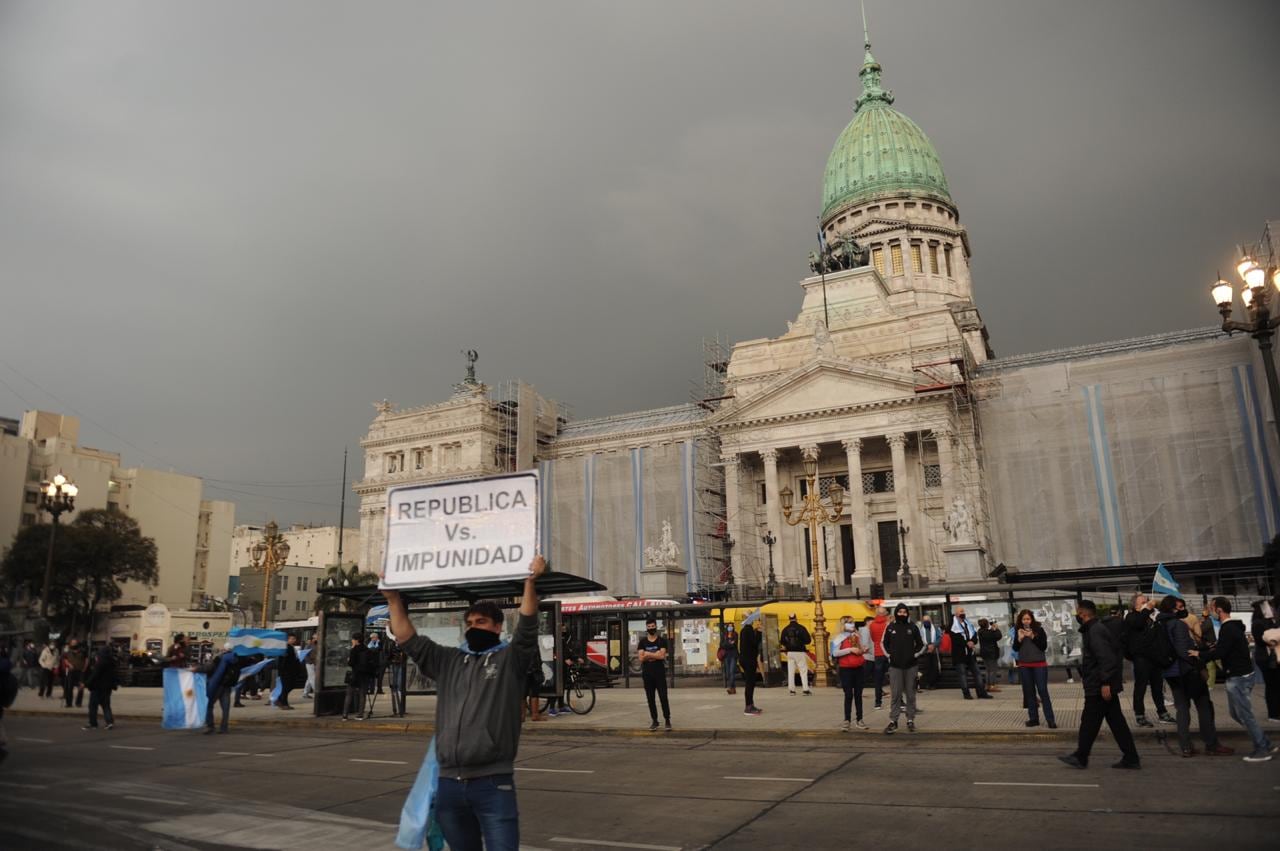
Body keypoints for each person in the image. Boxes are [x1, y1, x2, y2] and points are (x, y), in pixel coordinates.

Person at [382, 554, 544, 851]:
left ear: (497, 627)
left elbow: (528, 627)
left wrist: (530, 582)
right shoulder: (449, 660)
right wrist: (393, 599)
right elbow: (409, 640)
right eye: (469, 622)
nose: (473, 627)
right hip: (449, 786)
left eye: (481, 622)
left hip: (493, 784)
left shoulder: (510, 661)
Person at [1058, 600, 1139, 770]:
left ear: (1083, 614)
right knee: (1116, 722)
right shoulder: (1095, 629)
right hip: (1099, 683)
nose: (1077, 617)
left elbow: (1106, 658)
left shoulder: (1095, 631)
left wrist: (1105, 683)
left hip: (1099, 685)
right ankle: (1131, 757)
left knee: (1089, 722)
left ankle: (1081, 756)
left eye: (1078, 613)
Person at [1195, 597, 1275, 762]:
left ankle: (1262, 749)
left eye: (1211, 608)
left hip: (1238, 677)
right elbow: (1225, 648)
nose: (1210, 611)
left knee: (1245, 715)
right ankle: (1264, 742)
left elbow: (1221, 653)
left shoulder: (1228, 629)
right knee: (1236, 713)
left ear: (1219, 610)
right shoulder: (1232, 628)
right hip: (1239, 675)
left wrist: (1200, 654)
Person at [1156, 595, 1231, 758]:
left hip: (1170, 672)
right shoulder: (1178, 625)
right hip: (1187, 671)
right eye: (1180, 607)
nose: (1183, 610)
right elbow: (1184, 651)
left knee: (1182, 709)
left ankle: (1186, 747)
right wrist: (1198, 663)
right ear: (1172, 609)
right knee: (1204, 706)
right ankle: (1211, 744)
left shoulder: (1159, 624)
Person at [1122, 593, 1173, 727]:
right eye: (1143, 602)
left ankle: (1162, 712)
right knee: (1141, 687)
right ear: (1135, 605)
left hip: (1155, 657)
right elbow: (1138, 624)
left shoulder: (1153, 616)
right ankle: (1140, 715)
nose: (1147, 603)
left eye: (1147, 601)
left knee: (1157, 687)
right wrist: (1146, 609)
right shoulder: (1131, 616)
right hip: (1141, 658)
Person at [882, 604, 924, 734]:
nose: (902, 614)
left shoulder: (913, 627)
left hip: (911, 666)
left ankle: (910, 720)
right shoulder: (890, 628)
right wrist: (889, 655)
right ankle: (893, 721)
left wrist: (914, 655)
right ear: (896, 613)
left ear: (907, 613)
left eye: (904, 612)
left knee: (911, 695)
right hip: (895, 667)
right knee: (895, 695)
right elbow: (883, 643)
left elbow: (921, 644)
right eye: (899, 612)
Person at [1013, 609, 1056, 728]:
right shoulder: (1018, 630)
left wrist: (1032, 636)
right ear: (1020, 620)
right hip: (1024, 665)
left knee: (1042, 690)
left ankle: (1050, 719)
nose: (1026, 621)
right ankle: (1033, 718)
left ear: (1032, 619)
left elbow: (1043, 646)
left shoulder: (1039, 630)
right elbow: (1015, 648)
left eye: (1028, 619)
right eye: (1024, 619)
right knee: (1029, 692)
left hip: (1039, 665)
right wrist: (1019, 639)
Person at [830, 617, 867, 731]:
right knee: (848, 695)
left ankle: (859, 719)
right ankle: (847, 720)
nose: (852, 624)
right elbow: (834, 653)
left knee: (858, 694)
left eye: (853, 622)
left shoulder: (856, 636)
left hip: (858, 667)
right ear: (844, 625)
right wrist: (850, 650)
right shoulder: (839, 637)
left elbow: (861, 649)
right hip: (846, 669)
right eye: (849, 623)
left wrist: (862, 650)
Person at [637, 617, 672, 730]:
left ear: (656, 627)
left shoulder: (662, 641)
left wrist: (648, 654)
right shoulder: (642, 642)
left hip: (659, 673)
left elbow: (662, 656)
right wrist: (654, 654)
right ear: (646, 628)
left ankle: (667, 720)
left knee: (663, 697)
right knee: (650, 698)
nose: (651, 628)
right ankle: (655, 720)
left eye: (653, 626)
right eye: (649, 627)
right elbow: (641, 658)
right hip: (647, 674)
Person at [949, 608, 991, 699]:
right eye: (961, 612)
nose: (963, 613)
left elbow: (974, 635)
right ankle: (966, 693)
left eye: (964, 611)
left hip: (970, 654)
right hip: (959, 655)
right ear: (956, 614)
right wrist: (967, 643)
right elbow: (956, 639)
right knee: (963, 675)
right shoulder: (953, 626)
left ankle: (981, 692)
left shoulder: (968, 624)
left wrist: (972, 641)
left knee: (977, 673)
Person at [1250, 599, 1280, 722]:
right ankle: (1273, 713)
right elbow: (1261, 640)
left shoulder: (1269, 622)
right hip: (1266, 658)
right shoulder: (1258, 623)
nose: (1271, 610)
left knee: (1275, 685)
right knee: (1272, 685)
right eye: (1268, 607)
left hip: (1272, 657)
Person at [204, 643, 240, 735]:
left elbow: (210, 668)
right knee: (225, 708)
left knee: (209, 705)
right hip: (227, 686)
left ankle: (210, 726)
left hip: (217, 685)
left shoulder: (220, 658)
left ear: (224, 649)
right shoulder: (236, 659)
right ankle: (224, 728)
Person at [81, 645, 118, 731]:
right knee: (106, 705)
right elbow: (114, 675)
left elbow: (94, 675)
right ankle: (109, 722)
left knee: (93, 706)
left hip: (97, 687)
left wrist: (86, 684)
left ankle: (93, 723)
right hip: (107, 688)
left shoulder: (100, 663)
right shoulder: (111, 662)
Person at [780, 614, 812, 696]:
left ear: (789, 619)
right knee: (803, 670)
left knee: (791, 671)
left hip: (790, 652)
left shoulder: (785, 629)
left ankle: (792, 690)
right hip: (800, 652)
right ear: (796, 618)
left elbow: (782, 641)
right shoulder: (801, 628)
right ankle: (805, 689)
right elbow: (808, 640)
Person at [342, 633, 370, 721]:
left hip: (355, 674)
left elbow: (351, 663)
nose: (352, 640)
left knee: (349, 694)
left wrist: (349, 659)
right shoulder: (367, 649)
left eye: (353, 639)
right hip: (364, 675)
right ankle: (360, 714)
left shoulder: (354, 650)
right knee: (362, 695)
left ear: (357, 640)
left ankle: (345, 714)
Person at [866, 607, 889, 709]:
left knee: (878, 680)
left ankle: (878, 702)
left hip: (878, 653)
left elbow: (873, 638)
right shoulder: (888, 624)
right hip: (888, 652)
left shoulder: (872, 625)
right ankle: (899, 700)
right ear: (885, 613)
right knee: (894, 677)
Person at [739, 616, 762, 716]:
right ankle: (748, 707)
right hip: (749, 660)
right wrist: (759, 633)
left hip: (745, 659)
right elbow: (755, 643)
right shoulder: (748, 630)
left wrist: (756, 631)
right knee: (750, 683)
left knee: (751, 683)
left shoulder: (744, 630)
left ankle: (751, 704)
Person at [275, 635, 306, 710]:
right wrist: (282, 670)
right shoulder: (286, 648)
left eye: (294, 639)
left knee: (289, 686)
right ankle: (284, 703)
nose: (294, 640)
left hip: (292, 671)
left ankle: (279, 700)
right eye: (292, 639)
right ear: (287, 640)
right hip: (286, 671)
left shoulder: (292, 647)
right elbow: (282, 661)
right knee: (286, 687)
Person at [917, 615, 942, 690]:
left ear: (930, 620)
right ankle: (928, 684)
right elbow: (920, 639)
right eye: (924, 620)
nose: (926, 622)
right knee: (927, 668)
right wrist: (928, 646)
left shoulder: (936, 628)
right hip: (925, 651)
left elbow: (939, 637)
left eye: (927, 620)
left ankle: (933, 684)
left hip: (935, 651)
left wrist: (933, 645)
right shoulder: (920, 629)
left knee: (935, 668)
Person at [977, 618, 1003, 693]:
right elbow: (998, 636)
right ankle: (992, 685)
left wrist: (992, 629)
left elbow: (990, 634)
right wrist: (996, 629)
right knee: (992, 670)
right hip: (991, 653)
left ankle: (987, 685)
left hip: (985, 653)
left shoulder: (980, 631)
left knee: (988, 670)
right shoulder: (987, 632)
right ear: (986, 624)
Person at [61, 638, 87, 708]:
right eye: (72, 642)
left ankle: (78, 703)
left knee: (81, 688)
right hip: (71, 671)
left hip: (80, 671)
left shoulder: (82, 650)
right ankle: (69, 703)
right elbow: (65, 659)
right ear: (70, 643)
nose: (74, 644)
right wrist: (69, 664)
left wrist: (84, 668)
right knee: (69, 687)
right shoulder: (67, 651)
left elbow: (86, 659)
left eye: (75, 642)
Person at [721, 623, 739, 695]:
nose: (730, 627)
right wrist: (729, 643)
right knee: (728, 673)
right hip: (726, 656)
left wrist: (727, 644)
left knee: (732, 672)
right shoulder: (724, 635)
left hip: (733, 656)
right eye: (729, 626)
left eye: (731, 626)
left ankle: (730, 688)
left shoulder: (735, 634)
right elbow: (722, 645)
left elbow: (734, 644)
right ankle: (733, 688)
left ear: (733, 627)